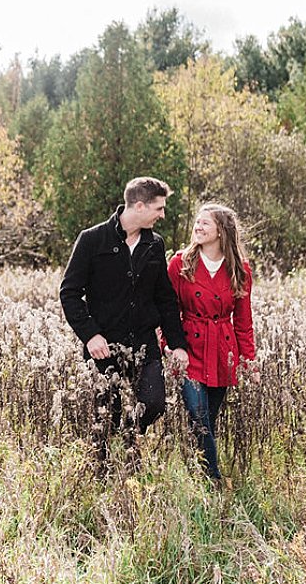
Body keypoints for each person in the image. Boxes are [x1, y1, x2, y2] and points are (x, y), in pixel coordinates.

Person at [59, 177, 190, 462]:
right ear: (140, 205)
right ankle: (103, 474)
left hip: (144, 342)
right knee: (106, 412)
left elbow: (165, 298)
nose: (163, 215)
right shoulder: (92, 239)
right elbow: (69, 293)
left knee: (154, 404)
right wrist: (91, 335)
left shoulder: (155, 245)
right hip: (104, 344)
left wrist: (177, 344)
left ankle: (129, 437)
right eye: (159, 208)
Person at [167, 203, 257, 482]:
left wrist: (248, 361)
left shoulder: (239, 269)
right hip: (188, 348)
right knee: (198, 413)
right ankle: (214, 480)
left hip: (222, 350)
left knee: (207, 421)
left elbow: (243, 320)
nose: (198, 226)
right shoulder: (180, 263)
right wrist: (169, 345)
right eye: (197, 221)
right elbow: (167, 309)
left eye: (206, 223)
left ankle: (198, 471)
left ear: (221, 231)